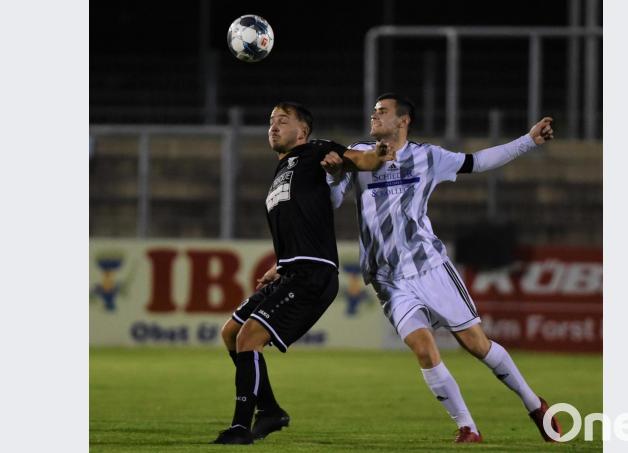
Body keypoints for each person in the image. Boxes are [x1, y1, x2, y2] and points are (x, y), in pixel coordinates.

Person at [322, 93, 561, 443]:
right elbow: (333, 202)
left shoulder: (427, 157)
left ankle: (534, 404)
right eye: (373, 111)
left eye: (382, 112)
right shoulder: (356, 156)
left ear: (403, 121)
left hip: (431, 268)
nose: (374, 116)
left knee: (476, 344)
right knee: (423, 347)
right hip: (388, 279)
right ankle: (468, 427)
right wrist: (331, 176)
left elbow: (477, 161)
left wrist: (528, 140)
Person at [212, 102, 394, 445]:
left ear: (303, 131)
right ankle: (269, 410)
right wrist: (279, 264)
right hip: (290, 271)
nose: (273, 126)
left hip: (313, 273)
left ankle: (240, 427)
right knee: (231, 332)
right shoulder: (282, 172)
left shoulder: (317, 151)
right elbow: (300, 223)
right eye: (270, 121)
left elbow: (362, 161)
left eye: (283, 120)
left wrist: (379, 154)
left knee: (248, 339)